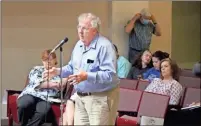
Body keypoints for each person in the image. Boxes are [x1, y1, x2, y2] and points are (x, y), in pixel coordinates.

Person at [43, 13, 120, 125]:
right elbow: (71, 67)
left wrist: (87, 76)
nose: (80, 31)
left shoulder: (105, 46)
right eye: (79, 27)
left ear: (94, 30)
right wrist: (57, 71)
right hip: (80, 97)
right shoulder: (78, 45)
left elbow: (110, 75)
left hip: (99, 99)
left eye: (84, 28)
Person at [17, 49, 67, 126]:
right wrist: (55, 84)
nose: (48, 61)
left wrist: (63, 81)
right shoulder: (36, 69)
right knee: (23, 105)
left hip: (47, 98)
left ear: (55, 60)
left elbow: (62, 85)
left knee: (43, 111)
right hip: (31, 94)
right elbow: (38, 84)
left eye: (50, 59)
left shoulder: (59, 72)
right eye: (45, 59)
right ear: (42, 61)